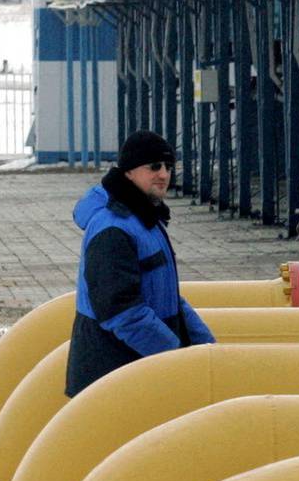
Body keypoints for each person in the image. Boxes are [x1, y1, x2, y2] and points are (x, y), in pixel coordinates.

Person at [66, 131, 216, 396]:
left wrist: (206, 347)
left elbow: (167, 296)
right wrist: (174, 354)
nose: (164, 174)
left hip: (140, 369)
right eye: (154, 166)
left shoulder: (144, 220)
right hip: (113, 377)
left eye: (169, 167)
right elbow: (122, 312)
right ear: (129, 172)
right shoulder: (114, 228)